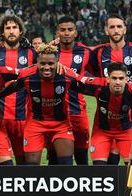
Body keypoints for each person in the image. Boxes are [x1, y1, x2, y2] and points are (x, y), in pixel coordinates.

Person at [0, 44, 75, 165]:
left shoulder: (67, 75)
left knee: (66, 164)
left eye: (51, 64)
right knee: (31, 168)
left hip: (60, 124)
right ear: (37, 63)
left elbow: (87, 88)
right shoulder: (27, 76)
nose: (46, 67)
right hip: (35, 124)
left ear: (57, 63)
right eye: (42, 63)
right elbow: (11, 88)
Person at [91, 14, 132, 165]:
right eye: (112, 27)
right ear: (106, 30)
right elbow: (87, 75)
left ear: (124, 29)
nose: (116, 30)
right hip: (108, 114)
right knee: (111, 158)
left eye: (119, 27)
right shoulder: (98, 52)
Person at [61, 62, 132, 165]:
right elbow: (77, 78)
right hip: (102, 132)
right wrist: (59, 66)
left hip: (125, 132)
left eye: (121, 78)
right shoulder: (98, 85)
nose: (117, 82)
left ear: (126, 79)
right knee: (99, 168)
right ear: (108, 78)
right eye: (114, 78)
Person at [47, 16, 93, 165]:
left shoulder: (85, 52)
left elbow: (99, 77)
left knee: (81, 156)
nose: (66, 33)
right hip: (55, 114)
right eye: (63, 30)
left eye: (70, 30)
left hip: (77, 111)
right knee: (55, 158)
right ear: (57, 33)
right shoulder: (49, 52)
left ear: (75, 33)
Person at [0, 15, 37, 165]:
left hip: (22, 117)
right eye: (7, 28)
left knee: (22, 161)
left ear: (20, 31)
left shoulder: (31, 53)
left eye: (14, 27)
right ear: (2, 33)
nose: (11, 31)